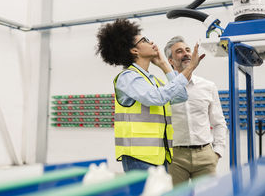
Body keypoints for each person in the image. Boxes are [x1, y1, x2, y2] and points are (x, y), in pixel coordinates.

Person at [96, 19, 205, 172]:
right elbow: (157, 98)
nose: (151, 42)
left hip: (160, 156)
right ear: (134, 50)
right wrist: (190, 68)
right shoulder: (128, 77)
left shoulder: (152, 81)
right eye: (145, 40)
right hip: (138, 158)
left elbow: (181, 96)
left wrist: (164, 65)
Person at [163, 36, 227, 185]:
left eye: (187, 50)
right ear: (170, 61)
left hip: (205, 155)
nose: (186, 54)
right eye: (179, 51)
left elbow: (219, 122)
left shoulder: (208, 86)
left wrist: (217, 152)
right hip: (175, 157)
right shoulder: (164, 90)